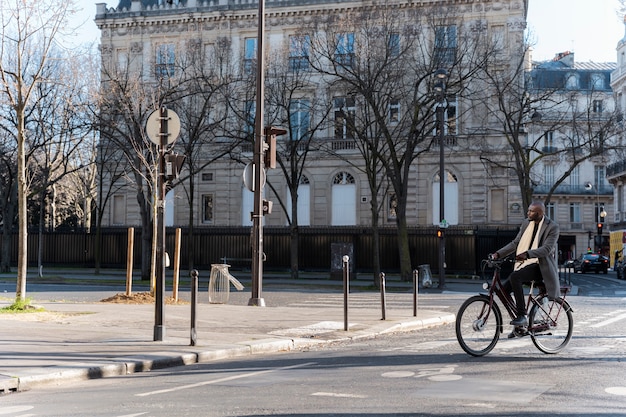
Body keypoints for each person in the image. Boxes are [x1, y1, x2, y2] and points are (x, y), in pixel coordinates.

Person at [492, 201, 560, 329]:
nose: (528, 213)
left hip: (541, 266)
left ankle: (522, 316)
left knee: (515, 277)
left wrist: (527, 254)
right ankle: (520, 327)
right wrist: (498, 254)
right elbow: (515, 243)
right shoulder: (526, 223)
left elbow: (547, 249)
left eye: (531, 211)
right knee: (503, 292)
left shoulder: (552, 227)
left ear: (539, 213)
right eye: (528, 210)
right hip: (524, 263)